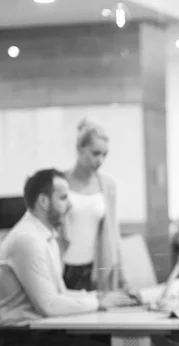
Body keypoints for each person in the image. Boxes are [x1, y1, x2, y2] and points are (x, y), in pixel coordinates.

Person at [0, 169, 135, 346]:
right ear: (44, 201)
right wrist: (98, 303)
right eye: (63, 198)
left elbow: (60, 293)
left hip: (35, 332)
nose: (70, 206)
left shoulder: (47, 237)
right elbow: (50, 305)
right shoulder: (27, 240)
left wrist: (99, 297)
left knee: (101, 345)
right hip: (17, 340)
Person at [62, 118, 130, 294]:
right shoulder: (60, 183)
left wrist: (123, 277)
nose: (100, 160)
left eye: (104, 155)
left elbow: (113, 234)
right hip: (61, 268)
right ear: (79, 148)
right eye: (95, 153)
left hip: (92, 269)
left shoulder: (107, 186)